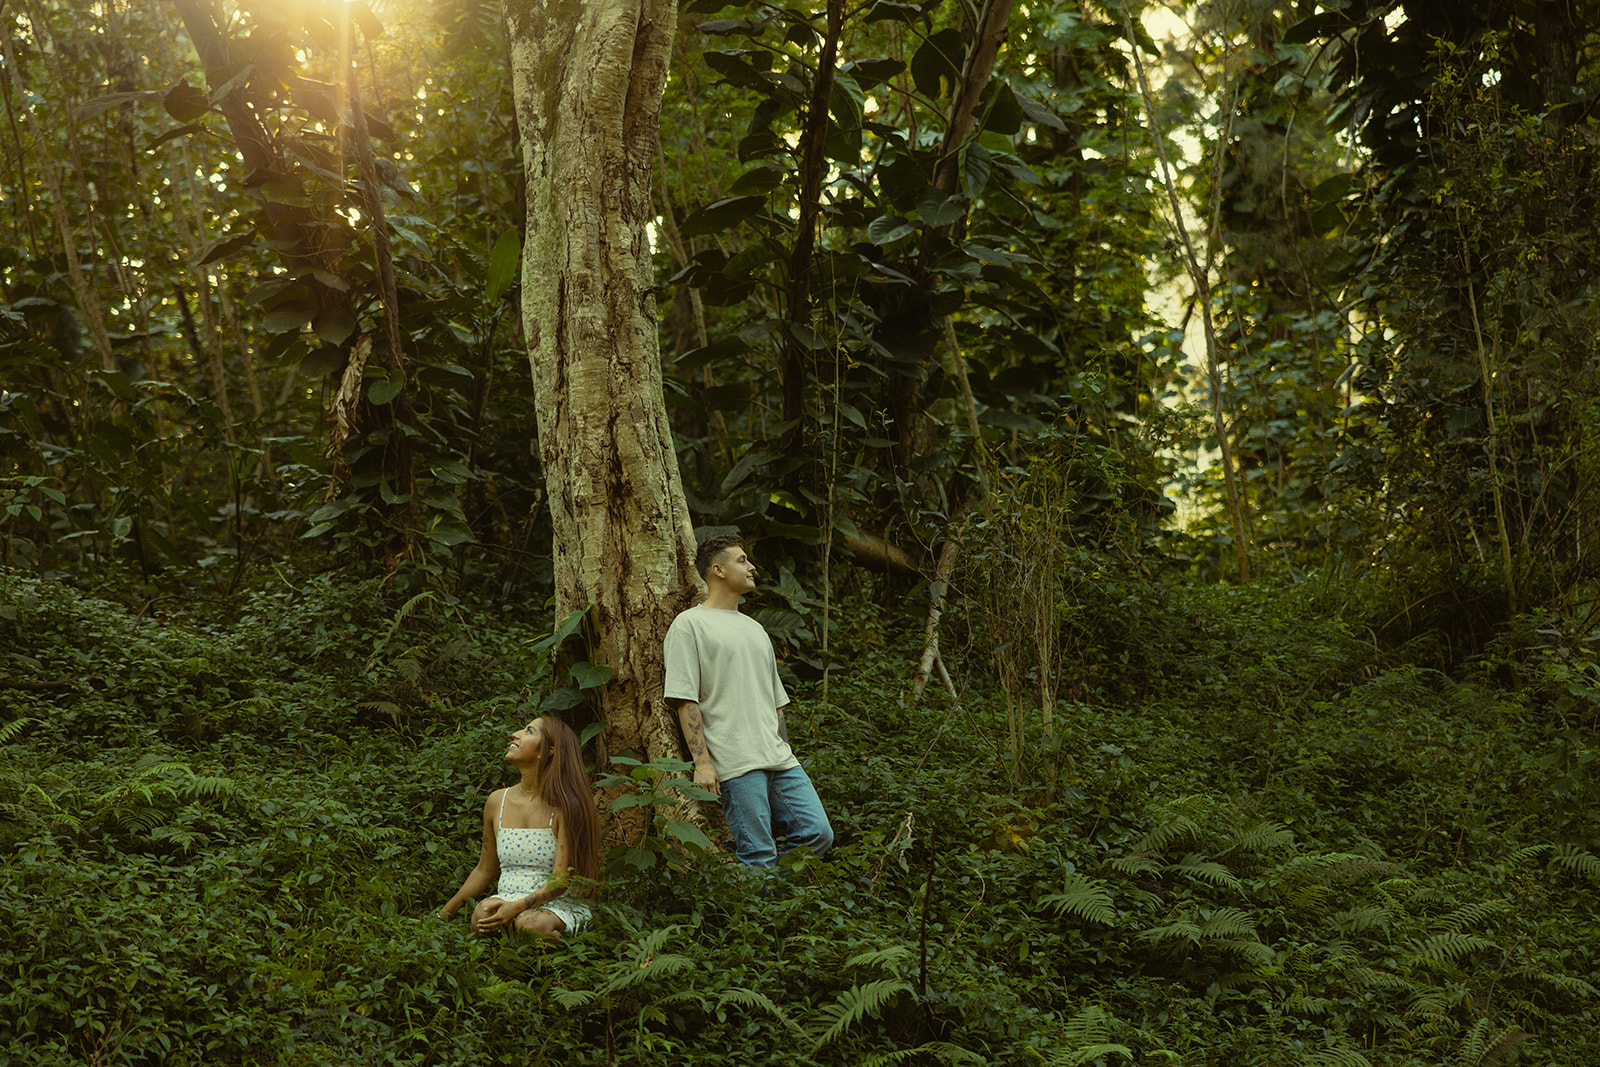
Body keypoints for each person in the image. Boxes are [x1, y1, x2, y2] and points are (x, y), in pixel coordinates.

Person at [663, 533, 833, 867]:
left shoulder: (755, 629)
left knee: (817, 833)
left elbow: (776, 704)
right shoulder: (689, 625)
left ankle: (777, 906)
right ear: (718, 570)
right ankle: (762, 917)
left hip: (779, 759)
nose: (751, 566)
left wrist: (785, 748)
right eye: (742, 560)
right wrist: (703, 763)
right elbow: (686, 700)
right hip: (735, 761)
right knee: (759, 854)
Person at [437, 715, 599, 939]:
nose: (516, 734)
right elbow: (485, 870)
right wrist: (442, 916)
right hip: (508, 897)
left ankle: (560, 962)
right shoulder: (497, 802)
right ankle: (506, 959)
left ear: (548, 751)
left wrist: (517, 908)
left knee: (530, 924)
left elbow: (561, 881)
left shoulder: (565, 807)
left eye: (529, 731)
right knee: (481, 915)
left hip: (557, 905)